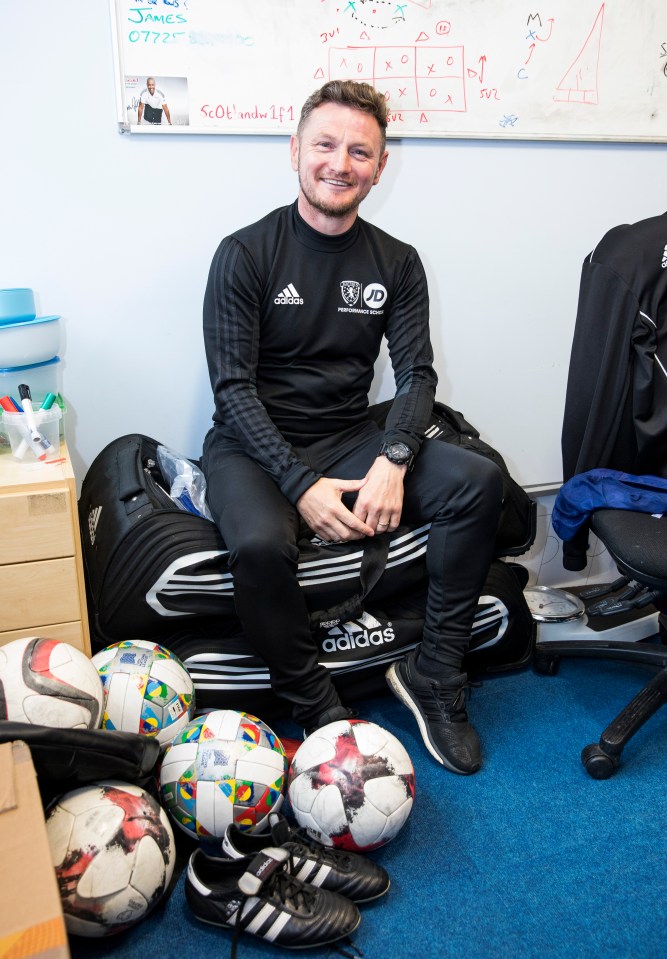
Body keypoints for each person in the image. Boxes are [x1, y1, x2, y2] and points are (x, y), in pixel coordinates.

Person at [201, 79, 503, 775]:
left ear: (380, 164)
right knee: (256, 544)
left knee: (477, 480)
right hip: (251, 443)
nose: (340, 163)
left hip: (349, 431)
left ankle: (435, 673)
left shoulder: (395, 260)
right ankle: (318, 707)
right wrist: (299, 483)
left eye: (359, 151)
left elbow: (417, 376)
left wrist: (393, 457)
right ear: (295, 152)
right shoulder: (245, 253)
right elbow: (232, 389)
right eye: (325, 145)